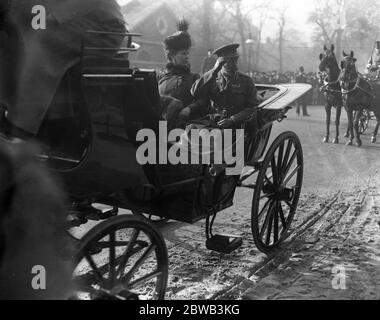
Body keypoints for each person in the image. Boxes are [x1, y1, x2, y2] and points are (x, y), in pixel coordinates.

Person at [0, 0, 126, 140]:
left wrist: (56, 17)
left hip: (100, 25)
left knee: (41, 42)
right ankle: (14, 113)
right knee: (9, 38)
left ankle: (21, 130)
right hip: (63, 18)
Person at [191, 43, 260, 129]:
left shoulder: (246, 81)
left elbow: (253, 107)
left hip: (238, 126)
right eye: (230, 60)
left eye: (236, 59)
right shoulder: (211, 78)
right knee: (191, 131)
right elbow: (195, 93)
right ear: (221, 62)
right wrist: (213, 71)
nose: (235, 64)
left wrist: (233, 119)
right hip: (214, 124)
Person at [158, 19, 206, 130]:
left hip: (188, 127)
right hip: (163, 127)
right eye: (183, 53)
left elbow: (203, 100)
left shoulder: (195, 78)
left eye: (187, 53)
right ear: (172, 56)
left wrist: (189, 109)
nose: (187, 56)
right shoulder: (161, 78)